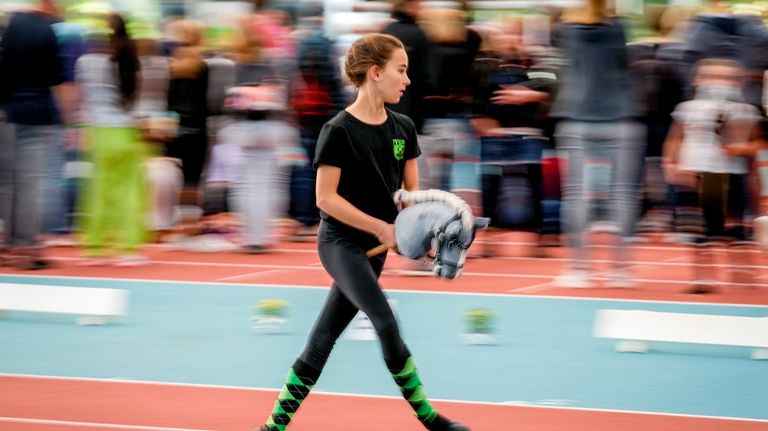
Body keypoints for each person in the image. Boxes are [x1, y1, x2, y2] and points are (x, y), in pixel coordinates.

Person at [254, 33, 469, 431]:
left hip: (377, 246)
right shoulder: (338, 130)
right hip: (339, 243)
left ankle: (272, 428)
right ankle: (432, 420)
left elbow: (409, 201)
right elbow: (325, 200)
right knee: (386, 323)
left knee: (321, 341)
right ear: (375, 72)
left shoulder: (404, 128)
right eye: (400, 70)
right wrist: (381, 228)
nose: (407, 80)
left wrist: (442, 225)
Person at [549, 0, 645, 288]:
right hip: (621, 116)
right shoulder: (619, 28)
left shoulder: (566, 29)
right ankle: (621, 270)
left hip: (577, 116)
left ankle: (580, 269)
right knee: (623, 195)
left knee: (576, 194)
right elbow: (623, 65)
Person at [663, 58, 762, 293]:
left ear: (738, 83)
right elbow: (676, 137)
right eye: (711, 76)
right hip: (695, 172)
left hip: (731, 174)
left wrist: (741, 149)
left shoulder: (746, 111)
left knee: (735, 229)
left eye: (726, 78)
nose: (719, 83)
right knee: (698, 232)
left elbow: (757, 143)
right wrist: (672, 163)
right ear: (697, 80)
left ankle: (742, 273)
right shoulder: (688, 109)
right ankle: (702, 277)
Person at [75, 13, 149, 265]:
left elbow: (82, 99)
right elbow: (135, 101)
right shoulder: (130, 60)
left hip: (98, 132)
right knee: (128, 192)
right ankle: (127, 248)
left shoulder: (85, 62)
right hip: (125, 132)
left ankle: (94, 249)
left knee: (97, 192)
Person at [0, 0, 65, 269]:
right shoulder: (46, 31)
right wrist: (68, 119)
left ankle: (3, 245)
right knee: (30, 184)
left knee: (5, 182)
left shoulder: (10, 28)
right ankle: (25, 248)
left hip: (6, 114)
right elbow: (57, 79)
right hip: (38, 115)